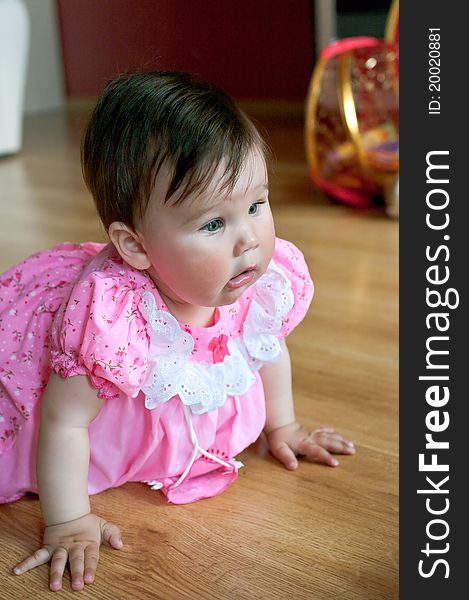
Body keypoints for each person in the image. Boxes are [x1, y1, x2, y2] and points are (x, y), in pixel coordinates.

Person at [0, 71, 355, 591]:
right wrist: (68, 520)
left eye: (257, 205)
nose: (249, 241)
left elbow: (265, 349)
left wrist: (284, 426)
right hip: (89, 420)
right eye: (213, 224)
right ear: (137, 246)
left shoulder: (251, 277)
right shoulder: (111, 322)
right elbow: (64, 422)